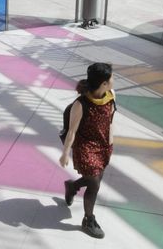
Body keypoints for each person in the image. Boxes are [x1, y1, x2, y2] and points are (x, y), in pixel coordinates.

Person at [59, 62, 115, 239]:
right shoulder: (81, 104)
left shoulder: (111, 95)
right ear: (104, 83)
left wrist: (110, 142)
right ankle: (88, 219)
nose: (114, 80)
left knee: (95, 180)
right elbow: (72, 131)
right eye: (112, 78)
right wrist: (65, 153)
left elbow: (111, 120)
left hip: (104, 146)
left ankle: (72, 186)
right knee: (94, 185)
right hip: (86, 147)